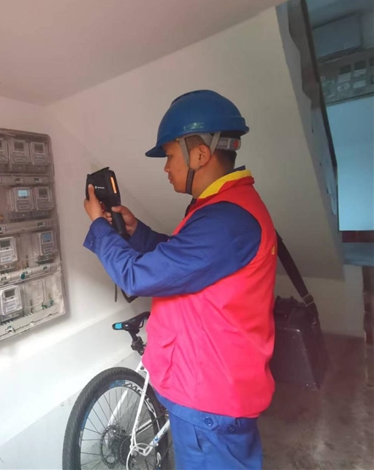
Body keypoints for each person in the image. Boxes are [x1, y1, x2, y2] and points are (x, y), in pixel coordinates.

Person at [82, 90, 277, 469]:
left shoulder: (225, 220)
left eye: (170, 156)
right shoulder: (226, 208)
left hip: (209, 398)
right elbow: (186, 260)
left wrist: (98, 226)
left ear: (200, 155)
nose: (166, 168)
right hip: (214, 383)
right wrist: (137, 233)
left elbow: (136, 276)